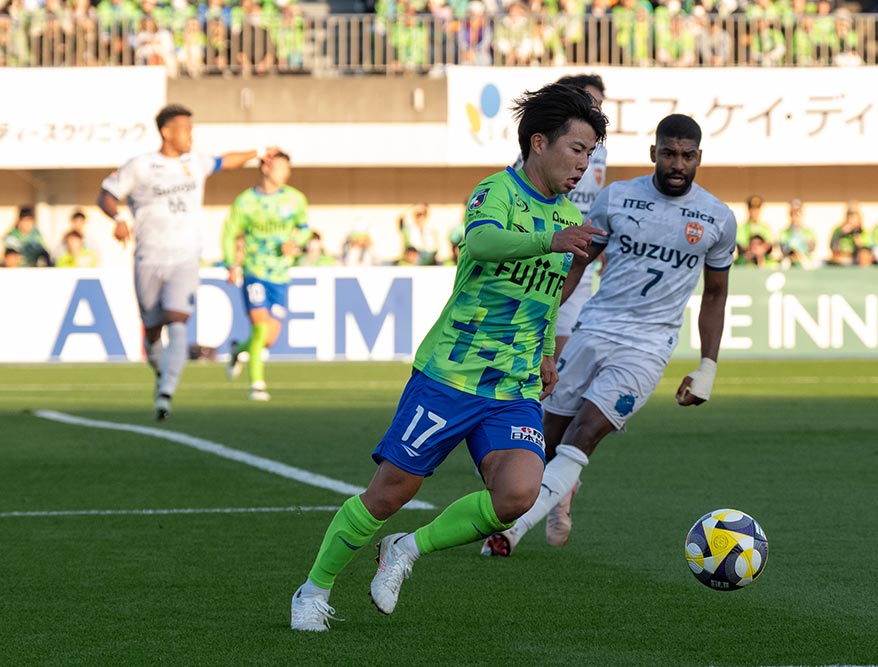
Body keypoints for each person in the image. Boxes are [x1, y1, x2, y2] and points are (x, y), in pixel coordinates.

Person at [289, 82, 608, 631]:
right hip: (451, 376)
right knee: (390, 492)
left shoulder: (565, 216)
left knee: (517, 495)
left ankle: (407, 548)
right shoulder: (497, 192)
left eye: (590, 154)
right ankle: (312, 590)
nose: (584, 164)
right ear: (539, 142)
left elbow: (547, 295)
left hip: (513, 386)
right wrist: (550, 242)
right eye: (577, 149)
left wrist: (546, 354)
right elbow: (480, 243)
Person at [481, 114, 736, 557]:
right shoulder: (617, 197)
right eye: (669, 154)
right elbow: (577, 264)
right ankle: (560, 492)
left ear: (700, 157)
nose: (678, 164)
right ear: (653, 153)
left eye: (687, 156)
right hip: (594, 328)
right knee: (545, 437)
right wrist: (542, 324)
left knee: (584, 433)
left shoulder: (718, 218)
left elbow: (715, 295)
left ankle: (512, 531)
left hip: (648, 347)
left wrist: (707, 367)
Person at [97, 103, 280, 421]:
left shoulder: (195, 162)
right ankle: (162, 374)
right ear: (166, 132)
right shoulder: (141, 166)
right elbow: (106, 195)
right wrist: (118, 218)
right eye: (185, 129)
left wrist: (260, 152)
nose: (190, 135)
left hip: (185, 258)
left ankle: (166, 394)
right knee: (153, 330)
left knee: (178, 322)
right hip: (148, 259)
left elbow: (226, 161)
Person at [513, 73, 609, 362]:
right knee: (546, 336)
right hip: (547, 248)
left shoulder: (599, 151)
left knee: (566, 341)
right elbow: (523, 193)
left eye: (601, 103)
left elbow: (593, 198)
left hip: (579, 251)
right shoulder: (544, 151)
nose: (598, 108)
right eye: (592, 101)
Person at [222, 150, 309, 402]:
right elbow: (229, 233)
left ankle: (238, 350)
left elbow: (304, 229)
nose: (286, 173)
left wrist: (296, 243)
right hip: (255, 271)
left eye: (287, 168)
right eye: (281, 167)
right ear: (265, 168)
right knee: (260, 328)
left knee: (269, 338)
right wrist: (231, 264)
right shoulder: (245, 202)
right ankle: (257, 385)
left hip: (280, 275)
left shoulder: (295, 199)